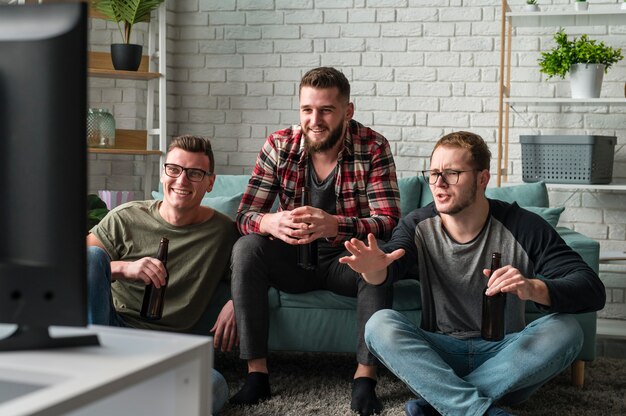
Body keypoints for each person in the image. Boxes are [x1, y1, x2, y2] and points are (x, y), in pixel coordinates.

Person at [339, 131, 606, 416]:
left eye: (452, 173)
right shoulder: (417, 224)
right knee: (379, 324)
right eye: (434, 173)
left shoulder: (524, 226)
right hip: (440, 357)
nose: (439, 183)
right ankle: (478, 410)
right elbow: (389, 268)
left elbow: (591, 289)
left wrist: (534, 288)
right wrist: (374, 270)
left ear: (482, 179)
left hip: (508, 357)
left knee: (566, 330)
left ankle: (438, 404)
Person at [229, 67, 401, 415]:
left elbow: (388, 220)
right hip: (293, 260)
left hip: (345, 261)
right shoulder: (279, 144)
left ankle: (364, 378)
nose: (315, 119)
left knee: (377, 256)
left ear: (347, 111)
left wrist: (334, 225)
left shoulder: (374, 146)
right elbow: (245, 216)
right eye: (307, 109)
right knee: (246, 247)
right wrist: (270, 221)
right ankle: (256, 375)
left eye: (326, 110)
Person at [87, 135, 240, 415]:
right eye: (174, 169)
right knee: (94, 256)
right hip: (110, 331)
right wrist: (123, 268)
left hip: (169, 348)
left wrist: (236, 302)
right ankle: (101, 380)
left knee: (213, 386)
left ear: (210, 182)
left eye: (195, 174)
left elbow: (257, 270)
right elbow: (72, 266)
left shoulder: (224, 232)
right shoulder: (125, 217)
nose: (182, 181)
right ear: (162, 173)